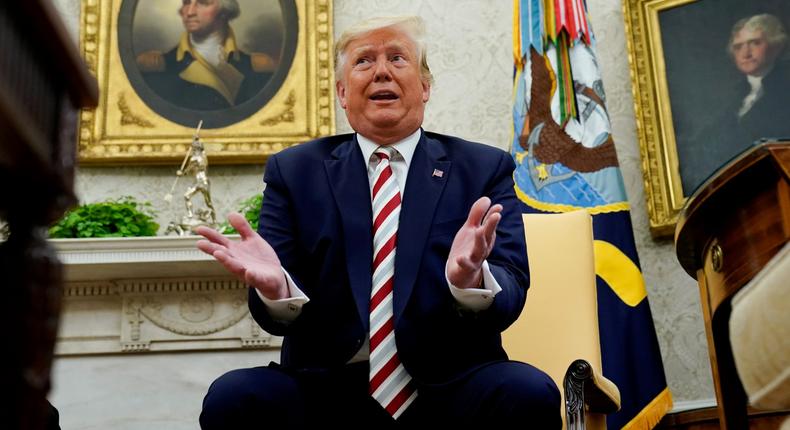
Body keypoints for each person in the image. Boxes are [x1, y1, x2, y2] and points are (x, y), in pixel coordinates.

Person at [195, 16, 560, 429]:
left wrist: (470, 281)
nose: (382, 70)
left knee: (527, 391)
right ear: (342, 92)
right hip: (327, 390)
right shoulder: (294, 172)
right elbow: (272, 314)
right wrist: (279, 290)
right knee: (233, 397)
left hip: (449, 386)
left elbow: (511, 292)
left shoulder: (481, 168)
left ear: (425, 87)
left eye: (398, 58)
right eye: (364, 61)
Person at [680, 13, 790, 191]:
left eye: (755, 43)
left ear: (776, 45)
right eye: (738, 47)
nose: (745, 53)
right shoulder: (734, 97)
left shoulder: (786, 86)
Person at [136, 0, 276, 110]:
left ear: (224, 11)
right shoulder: (156, 66)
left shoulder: (258, 66)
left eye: (203, 3)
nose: (189, 12)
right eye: (186, 2)